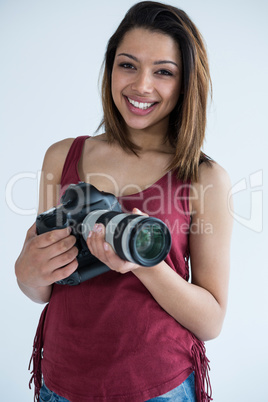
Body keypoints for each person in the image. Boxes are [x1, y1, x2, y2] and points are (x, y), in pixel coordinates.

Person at [15, 1, 233, 401]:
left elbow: (211, 321)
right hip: (61, 381)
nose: (141, 86)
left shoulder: (204, 177)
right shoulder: (61, 156)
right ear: (110, 67)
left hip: (157, 386)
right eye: (128, 65)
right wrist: (26, 273)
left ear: (186, 82)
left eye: (163, 72)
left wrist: (142, 265)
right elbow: (46, 287)